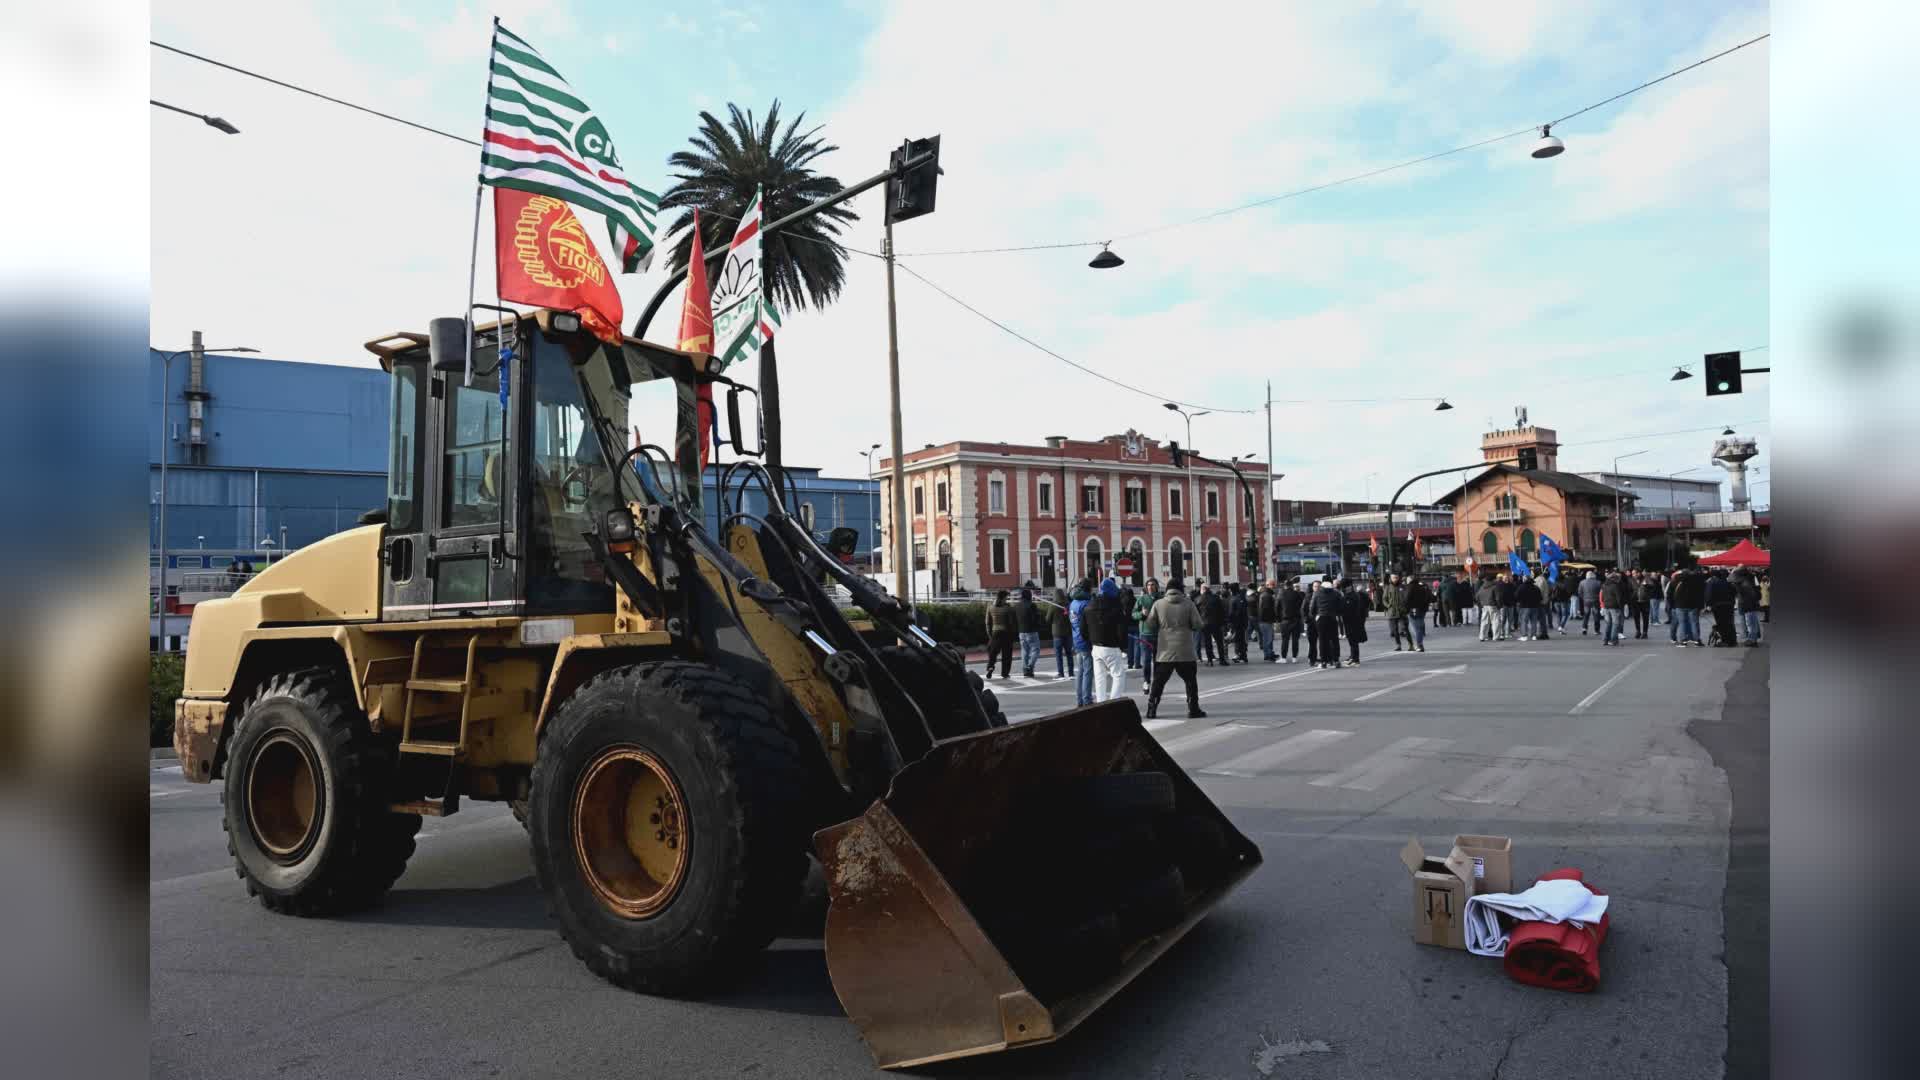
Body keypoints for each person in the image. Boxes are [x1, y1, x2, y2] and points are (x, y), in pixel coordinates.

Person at [1145, 578, 1206, 720]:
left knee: (1158, 682)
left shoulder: (1158, 604)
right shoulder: (1189, 604)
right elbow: (1198, 624)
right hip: (1185, 651)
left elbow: (1150, 625)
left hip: (1164, 651)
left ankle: (1151, 709)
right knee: (1190, 681)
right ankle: (1193, 709)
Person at [1089, 578, 1131, 700]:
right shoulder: (1116, 608)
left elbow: (1083, 630)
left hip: (1096, 646)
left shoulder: (1090, 606)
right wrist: (1123, 646)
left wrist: (1091, 639)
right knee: (1118, 675)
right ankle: (1114, 701)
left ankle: (1101, 702)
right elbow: (1121, 630)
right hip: (1112, 646)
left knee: (1099, 677)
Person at [1069, 579, 1095, 704]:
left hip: (1076, 638)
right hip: (1085, 640)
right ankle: (1087, 699)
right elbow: (1090, 624)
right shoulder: (1087, 603)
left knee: (1080, 671)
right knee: (1088, 671)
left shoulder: (1073, 602)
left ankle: (1079, 699)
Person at [1310, 575, 1345, 670]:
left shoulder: (1317, 593)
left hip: (1321, 618)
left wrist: (1315, 616)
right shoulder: (1336, 593)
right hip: (1332, 618)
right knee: (1334, 640)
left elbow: (1312, 608)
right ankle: (1336, 660)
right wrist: (1336, 613)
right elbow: (1341, 606)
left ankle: (1324, 661)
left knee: (1322, 640)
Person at [1132, 578, 1160, 688]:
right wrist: (1142, 614)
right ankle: (1146, 681)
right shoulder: (1141, 599)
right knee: (1146, 660)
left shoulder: (1161, 599)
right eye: (1148, 585)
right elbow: (1133, 614)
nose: (1150, 587)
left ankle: (1157, 682)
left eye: (1152, 585)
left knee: (1158, 661)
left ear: (1156, 586)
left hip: (1159, 634)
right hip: (1145, 635)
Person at [1670, 566, 1705, 646]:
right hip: (1693, 605)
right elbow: (1700, 594)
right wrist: (1701, 606)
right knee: (1694, 622)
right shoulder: (1696, 580)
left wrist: (1672, 604)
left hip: (1679, 605)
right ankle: (1697, 640)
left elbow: (1671, 593)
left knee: (1682, 623)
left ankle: (1683, 641)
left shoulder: (1676, 580)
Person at [984, 590, 1016, 677]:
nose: (1007, 600)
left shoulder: (990, 607)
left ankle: (990, 667)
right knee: (1007, 654)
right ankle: (1005, 673)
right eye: (1006, 598)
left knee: (993, 652)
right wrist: (1013, 634)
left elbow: (987, 622)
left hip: (995, 633)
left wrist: (990, 635)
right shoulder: (1008, 609)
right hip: (1006, 633)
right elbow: (1011, 623)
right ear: (1002, 598)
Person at [1012, 586, 1042, 677]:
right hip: (1032, 630)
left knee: (1024, 651)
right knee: (1035, 650)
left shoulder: (1017, 606)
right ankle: (1030, 666)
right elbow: (1035, 618)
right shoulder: (1032, 605)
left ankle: (1025, 669)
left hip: (1021, 631)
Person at [1339, 577, 1369, 666]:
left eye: (1344, 587)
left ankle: (1356, 659)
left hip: (1353, 621)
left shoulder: (1352, 596)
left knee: (1353, 641)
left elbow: (1351, 609)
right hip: (1350, 621)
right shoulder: (1350, 595)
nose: (1343, 589)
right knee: (1351, 640)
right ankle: (1353, 657)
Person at [1704, 568, 1736, 647]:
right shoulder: (1729, 583)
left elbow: (1709, 594)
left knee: (1721, 623)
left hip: (1718, 606)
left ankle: (1724, 640)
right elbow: (1734, 593)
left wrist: (1708, 605)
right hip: (1729, 605)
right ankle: (1732, 640)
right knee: (1729, 623)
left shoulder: (1712, 582)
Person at [1278, 578, 1305, 663]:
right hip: (1296, 619)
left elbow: (1277, 607)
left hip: (1285, 620)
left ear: (1285, 585)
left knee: (1285, 639)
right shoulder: (1297, 594)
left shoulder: (1281, 594)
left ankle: (1283, 657)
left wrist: (1279, 618)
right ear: (1291, 585)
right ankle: (1294, 657)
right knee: (1295, 640)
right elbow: (1301, 605)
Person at [1197, 583, 1226, 666]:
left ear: (1203, 589)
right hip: (1216, 623)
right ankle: (1222, 659)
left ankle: (1210, 661)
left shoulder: (1198, 599)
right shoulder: (1216, 598)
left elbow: (1197, 613)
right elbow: (1221, 611)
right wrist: (1222, 622)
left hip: (1204, 624)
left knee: (1207, 642)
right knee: (1219, 642)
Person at [1733, 568, 1764, 645]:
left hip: (1748, 604)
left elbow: (1749, 594)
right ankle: (1753, 638)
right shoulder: (1750, 580)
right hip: (1750, 604)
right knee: (1751, 622)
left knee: (1751, 623)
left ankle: (1752, 640)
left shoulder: (1744, 583)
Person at [1599, 571, 1629, 646]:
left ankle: (1605, 640)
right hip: (1614, 607)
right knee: (1615, 623)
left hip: (1606, 606)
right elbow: (1618, 598)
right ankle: (1613, 640)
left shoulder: (1604, 585)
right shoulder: (1615, 586)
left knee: (1608, 623)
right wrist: (1621, 606)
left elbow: (1602, 597)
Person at [1050, 588, 1075, 675]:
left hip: (1057, 633)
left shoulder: (1053, 606)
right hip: (1068, 632)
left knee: (1058, 655)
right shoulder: (1069, 605)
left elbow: (1048, 619)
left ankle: (1061, 672)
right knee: (1069, 654)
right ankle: (1071, 672)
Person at [1382, 573, 1411, 652]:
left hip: (1402, 611)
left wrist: (1405, 607)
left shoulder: (1402, 587)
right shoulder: (1388, 588)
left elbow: (1407, 597)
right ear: (1391, 579)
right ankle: (1398, 645)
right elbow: (1384, 599)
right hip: (1392, 612)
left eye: (1397, 577)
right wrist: (1388, 606)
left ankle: (1410, 644)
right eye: (1394, 578)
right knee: (1395, 630)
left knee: (1405, 629)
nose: (1395, 579)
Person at [1514, 573, 1544, 641]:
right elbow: (1540, 598)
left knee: (1524, 621)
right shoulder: (1536, 588)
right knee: (1534, 621)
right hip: (1535, 607)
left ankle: (1524, 635)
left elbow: (1516, 596)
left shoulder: (1521, 587)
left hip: (1524, 606)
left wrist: (1520, 601)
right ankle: (1534, 635)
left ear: (1525, 580)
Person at [1406, 575, 1431, 652]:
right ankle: (1419, 643)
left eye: (1407, 580)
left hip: (1412, 610)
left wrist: (1405, 608)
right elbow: (1427, 598)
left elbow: (1406, 599)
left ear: (1410, 580)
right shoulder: (1422, 587)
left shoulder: (1410, 587)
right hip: (1422, 610)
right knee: (1419, 626)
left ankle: (1419, 645)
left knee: (1416, 628)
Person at [1227, 582, 1251, 663]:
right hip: (1243, 622)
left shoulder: (1233, 599)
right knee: (1241, 639)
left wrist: (1230, 622)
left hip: (1236, 622)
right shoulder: (1242, 598)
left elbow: (1231, 612)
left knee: (1237, 639)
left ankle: (1238, 654)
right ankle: (1243, 655)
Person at [1256, 580, 1279, 661]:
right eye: (1273, 585)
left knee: (1268, 638)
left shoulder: (1266, 594)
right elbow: (1266, 609)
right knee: (1268, 638)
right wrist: (1273, 618)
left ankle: (1269, 653)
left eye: (1274, 584)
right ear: (1268, 585)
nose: (1274, 586)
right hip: (1266, 620)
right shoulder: (1267, 595)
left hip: (1264, 620)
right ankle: (1268, 654)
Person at [1475, 574, 1500, 642]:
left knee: (1484, 622)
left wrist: (1480, 605)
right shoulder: (1494, 587)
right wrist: (1499, 606)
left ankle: (1482, 636)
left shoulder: (1482, 586)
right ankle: (1495, 637)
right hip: (1493, 605)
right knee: (1495, 621)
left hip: (1484, 605)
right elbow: (1498, 598)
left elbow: (1477, 597)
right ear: (1493, 579)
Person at [1631, 571, 1657, 639]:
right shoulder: (1631, 580)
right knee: (1636, 617)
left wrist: (1647, 586)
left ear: (1638, 573)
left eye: (1634, 573)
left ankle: (1645, 632)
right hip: (1635, 601)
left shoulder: (1646, 579)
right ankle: (1638, 631)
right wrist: (1631, 597)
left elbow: (1653, 587)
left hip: (1645, 601)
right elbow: (1629, 589)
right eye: (1632, 573)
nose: (1633, 575)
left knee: (1645, 618)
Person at [1577, 570, 1603, 636]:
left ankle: (1584, 628)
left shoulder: (1582, 582)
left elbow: (1579, 592)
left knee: (1586, 615)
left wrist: (1583, 598)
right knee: (1596, 615)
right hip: (1595, 601)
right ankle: (1596, 630)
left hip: (1586, 601)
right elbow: (1601, 593)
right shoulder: (1598, 582)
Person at [1494, 572, 1517, 642]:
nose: (1506, 579)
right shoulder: (1500, 585)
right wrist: (1500, 604)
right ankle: (1502, 633)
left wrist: (1514, 602)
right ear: (1503, 579)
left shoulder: (1512, 585)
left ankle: (1508, 633)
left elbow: (1514, 594)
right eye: (1505, 578)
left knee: (1510, 620)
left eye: (1507, 578)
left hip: (1511, 605)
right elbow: (1499, 596)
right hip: (1503, 605)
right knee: (1503, 620)